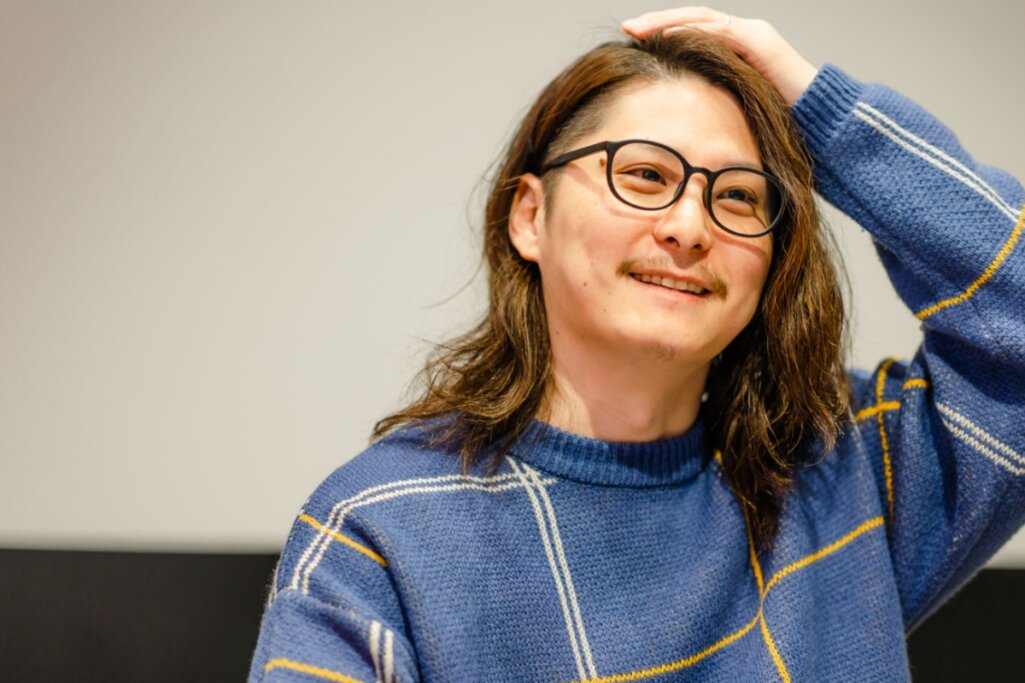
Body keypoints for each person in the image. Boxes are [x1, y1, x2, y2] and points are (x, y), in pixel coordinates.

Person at [248, 7, 1025, 682]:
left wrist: (823, 113)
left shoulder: (839, 469)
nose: (688, 227)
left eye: (736, 195)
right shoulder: (381, 530)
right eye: (645, 176)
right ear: (529, 216)